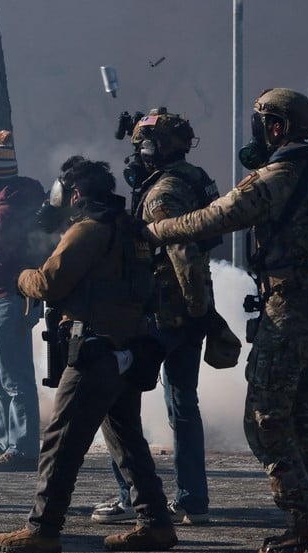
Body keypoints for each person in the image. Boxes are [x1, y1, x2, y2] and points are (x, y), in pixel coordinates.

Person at [143, 88, 308, 553]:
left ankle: (304, 521)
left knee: (265, 421)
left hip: (288, 312)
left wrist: (156, 230)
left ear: (276, 127)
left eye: (260, 123)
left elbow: (219, 216)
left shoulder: (279, 176)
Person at [0, 156, 177, 553]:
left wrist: (21, 276)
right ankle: (156, 523)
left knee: (61, 442)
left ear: (75, 195)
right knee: (127, 440)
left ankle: (43, 529)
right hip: (130, 348)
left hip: (95, 351)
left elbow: (49, 283)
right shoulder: (130, 230)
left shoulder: (88, 230)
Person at [91, 108, 219, 526]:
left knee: (120, 403)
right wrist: (201, 311)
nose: (136, 155)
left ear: (154, 148)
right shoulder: (194, 179)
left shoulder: (163, 192)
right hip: (188, 311)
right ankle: (193, 501)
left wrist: (193, 308)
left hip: (160, 314)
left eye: (141, 146)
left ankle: (132, 495)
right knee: (183, 406)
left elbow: (181, 251)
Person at [0, 130, 45, 472]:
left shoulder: (2, 212)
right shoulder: (19, 201)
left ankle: (22, 449)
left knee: (13, 377)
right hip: (10, 298)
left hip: (6, 298)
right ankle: (8, 442)